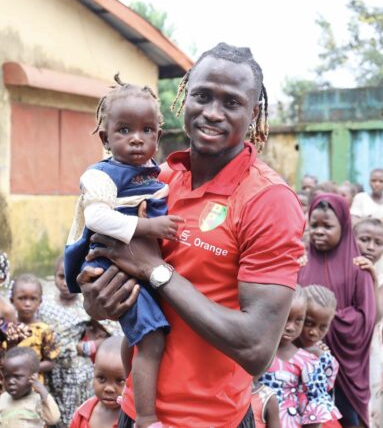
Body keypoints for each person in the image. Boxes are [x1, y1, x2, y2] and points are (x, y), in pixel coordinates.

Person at [76, 42, 305, 428]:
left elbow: (256, 347)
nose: (212, 113)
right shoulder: (158, 180)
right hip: (136, 412)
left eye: (231, 102)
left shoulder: (269, 201)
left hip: (211, 419)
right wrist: (97, 298)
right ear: (183, 96)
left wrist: (155, 271)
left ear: (254, 113)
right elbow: (112, 278)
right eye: (202, 95)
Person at [64, 74, 185, 428]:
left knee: (140, 337)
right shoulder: (102, 174)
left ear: (158, 137)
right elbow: (97, 216)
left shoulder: (152, 176)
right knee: (152, 339)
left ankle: (135, 395)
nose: (137, 139)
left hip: (139, 269)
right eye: (124, 130)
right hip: (112, 269)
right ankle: (145, 418)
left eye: (147, 130)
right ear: (105, 137)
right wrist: (148, 228)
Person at [298, 193, 376, 428]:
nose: (319, 231)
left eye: (327, 226)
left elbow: (367, 318)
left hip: (346, 368)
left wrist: (325, 322)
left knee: (346, 419)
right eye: (314, 225)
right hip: (304, 361)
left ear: (343, 226)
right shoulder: (300, 260)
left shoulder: (358, 267)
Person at [260, 285, 331, 427]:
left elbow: (316, 411)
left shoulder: (309, 362)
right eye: (286, 318)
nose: (291, 327)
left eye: (299, 320)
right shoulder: (258, 352)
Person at [39, 255, 93, 428]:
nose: (66, 282)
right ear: (54, 276)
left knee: (72, 417)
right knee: (50, 415)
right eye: (61, 277)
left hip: (75, 373)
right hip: (48, 370)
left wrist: (86, 347)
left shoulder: (87, 304)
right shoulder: (44, 302)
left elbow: (111, 333)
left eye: (73, 277)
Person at [353, 218, 383, 428]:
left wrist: (370, 277)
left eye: (378, 243)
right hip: (342, 355)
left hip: (370, 358)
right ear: (351, 239)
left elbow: (374, 316)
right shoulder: (342, 274)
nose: (370, 247)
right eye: (364, 239)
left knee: (367, 416)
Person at [295, 285, 342, 427]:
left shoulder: (323, 361)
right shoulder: (278, 350)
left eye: (323, 327)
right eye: (309, 323)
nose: (314, 332)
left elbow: (319, 406)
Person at [350, 168, 383, 274]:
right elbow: (354, 224)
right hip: (361, 248)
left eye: (381, 181)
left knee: (379, 277)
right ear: (369, 182)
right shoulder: (361, 198)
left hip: (380, 250)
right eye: (373, 181)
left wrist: (366, 221)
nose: (377, 184)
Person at [9, 274, 59, 383]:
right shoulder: (7, 329)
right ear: (12, 300)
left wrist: (28, 370)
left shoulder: (44, 331)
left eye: (33, 299)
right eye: (22, 298)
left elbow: (51, 362)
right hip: (8, 387)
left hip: (33, 388)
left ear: (40, 302)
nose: (27, 304)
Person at [70, 336, 126, 428]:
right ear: (94, 372)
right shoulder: (82, 414)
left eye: (120, 381)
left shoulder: (134, 418)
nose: (109, 389)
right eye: (101, 378)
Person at [0, 346, 60, 427]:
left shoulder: (38, 400)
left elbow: (53, 419)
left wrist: (41, 389)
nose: (11, 381)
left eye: (17, 377)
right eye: (7, 377)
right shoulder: (3, 399)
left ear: (33, 377)